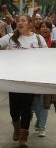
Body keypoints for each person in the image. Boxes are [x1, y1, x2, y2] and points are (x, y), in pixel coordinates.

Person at [0, 13, 47, 147]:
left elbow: (48, 56)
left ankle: (23, 137)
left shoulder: (38, 39)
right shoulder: (10, 38)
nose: (20, 23)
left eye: (23, 21)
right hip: (13, 80)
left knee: (26, 108)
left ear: (30, 23)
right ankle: (16, 127)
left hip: (29, 79)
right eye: (18, 21)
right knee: (14, 109)